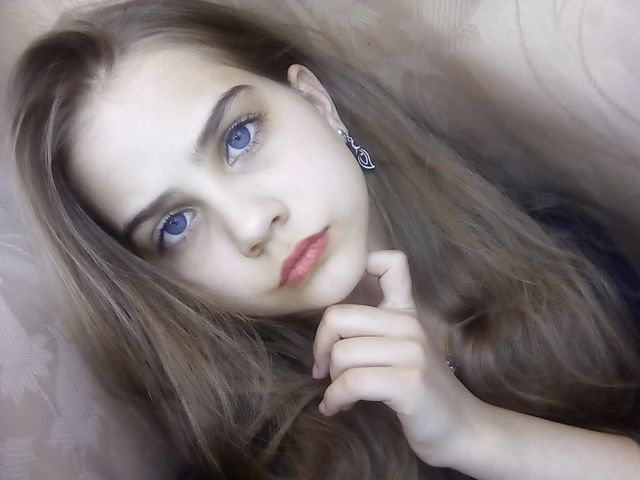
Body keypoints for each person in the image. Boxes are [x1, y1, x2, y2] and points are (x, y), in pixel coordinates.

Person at [8, 0, 640, 479]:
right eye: (176, 225)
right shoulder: (249, 466)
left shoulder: (556, 250)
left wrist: (478, 433)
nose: (251, 225)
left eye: (238, 138)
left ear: (316, 102)